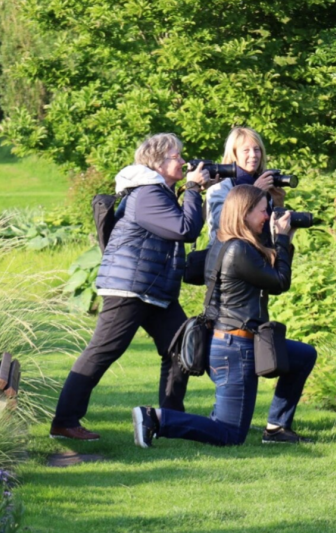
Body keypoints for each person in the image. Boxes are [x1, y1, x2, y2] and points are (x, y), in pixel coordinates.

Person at [50, 133, 215, 441]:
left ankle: (170, 422)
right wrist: (191, 188)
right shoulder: (146, 195)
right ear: (157, 163)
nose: (183, 161)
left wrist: (196, 191)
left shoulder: (159, 192)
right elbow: (184, 229)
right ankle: (64, 421)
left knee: (182, 348)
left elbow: (184, 223)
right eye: (176, 156)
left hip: (154, 290)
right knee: (102, 351)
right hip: (130, 288)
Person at [131, 184, 317, 447]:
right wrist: (283, 239)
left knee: (303, 355)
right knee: (230, 434)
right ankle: (156, 419)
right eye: (264, 211)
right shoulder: (238, 250)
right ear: (245, 213)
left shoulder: (227, 242)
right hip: (235, 348)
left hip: (238, 340)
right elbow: (279, 283)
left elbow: (267, 279)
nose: (268, 216)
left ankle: (276, 428)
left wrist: (285, 238)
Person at [206, 127, 285, 244]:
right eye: (246, 150)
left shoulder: (265, 183)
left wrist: (278, 205)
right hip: (231, 255)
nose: (253, 155)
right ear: (234, 154)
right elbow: (223, 224)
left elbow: (270, 229)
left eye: (257, 149)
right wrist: (255, 192)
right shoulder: (221, 187)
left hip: (263, 254)